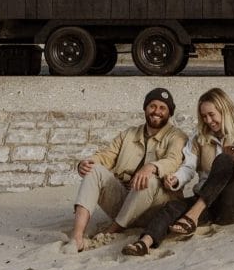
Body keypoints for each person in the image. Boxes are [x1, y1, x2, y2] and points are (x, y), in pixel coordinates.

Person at [122, 87, 234, 256]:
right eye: (204, 116)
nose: (208, 120)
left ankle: (192, 216)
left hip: (233, 207)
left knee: (224, 160)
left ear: (224, 110)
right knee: (172, 206)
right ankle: (144, 243)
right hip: (208, 207)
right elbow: (188, 168)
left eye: (211, 114)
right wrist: (176, 179)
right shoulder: (198, 139)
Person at [68, 87, 188, 252]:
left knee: (149, 180)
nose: (157, 111)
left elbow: (173, 161)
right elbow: (106, 156)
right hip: (123, 202)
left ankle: (112, 231)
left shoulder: (177, 136)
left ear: (169, 113)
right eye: (152, 106)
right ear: (145, 108)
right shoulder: (129, 134)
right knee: (94, 170)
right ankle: (77, 236)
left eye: (163, 108)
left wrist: (151, 167)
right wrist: (87, 163)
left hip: (154, 208)